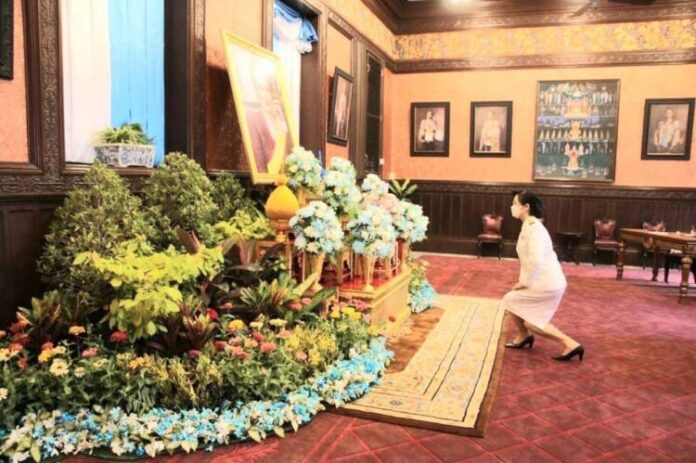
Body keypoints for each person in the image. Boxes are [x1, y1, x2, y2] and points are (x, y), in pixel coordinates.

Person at [502, 191, 584, 361]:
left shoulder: (534, 228)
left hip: (547, 282)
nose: (512, 207)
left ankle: (570, 344)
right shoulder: (529, 225)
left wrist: (524, 282)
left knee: (532, 322)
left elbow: (535, 259)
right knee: (511, 300)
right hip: (542, 280)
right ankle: (524, 336)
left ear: (526, 207)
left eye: (515, 203)